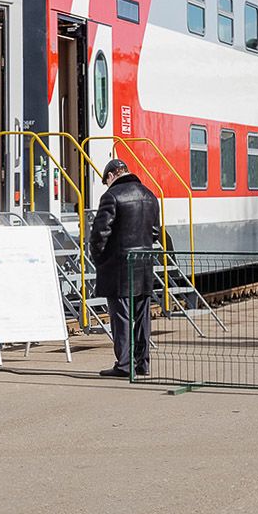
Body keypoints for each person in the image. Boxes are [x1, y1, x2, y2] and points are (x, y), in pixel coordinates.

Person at [87, 158, 160, 378]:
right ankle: (142, 363)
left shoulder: (111, 196)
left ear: (111, 176)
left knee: (121, 318)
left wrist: (100, 259)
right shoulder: (149, 195)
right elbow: (155, 232)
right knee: (142, 318)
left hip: (118, 267)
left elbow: (99, 234)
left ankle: (125, 365)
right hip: (144, 265)